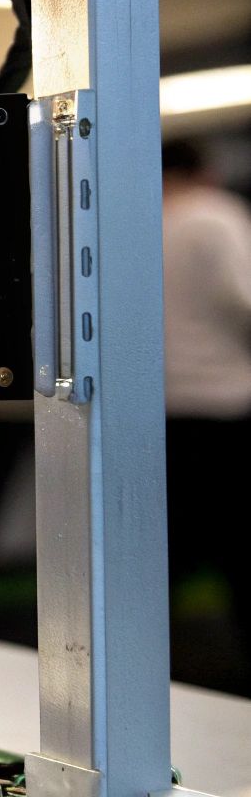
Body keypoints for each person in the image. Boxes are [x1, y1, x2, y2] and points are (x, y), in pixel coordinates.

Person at [162, 138, 251, 691]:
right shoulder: (213, 217)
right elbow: (245, 300)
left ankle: (150, 677)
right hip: (224, 407)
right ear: (207, 170)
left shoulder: (134, 219)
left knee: (164, 552)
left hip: (163, 410)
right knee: (241, 550)